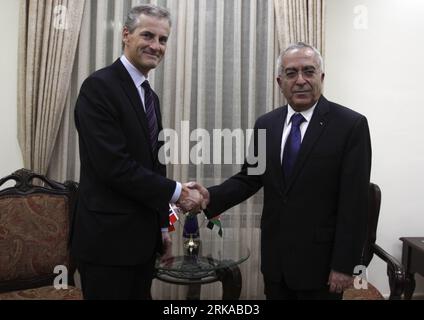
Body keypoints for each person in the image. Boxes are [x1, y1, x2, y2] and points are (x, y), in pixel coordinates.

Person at [194, 42, 371, 300]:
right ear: (280, 81)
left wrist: (344, 266)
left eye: (308, 72)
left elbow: (354, 204)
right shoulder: (267, 124)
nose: (300, 80)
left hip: (321, 267)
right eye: (291, 73)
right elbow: (250, 177)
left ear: (321, 77)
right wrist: (209, 197)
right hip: (276, 264)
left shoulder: (350, 125)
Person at [70, 4, 203, 300]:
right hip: (107, 245)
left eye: (163, 39)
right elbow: (114, 167)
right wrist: (180, 192)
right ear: (126, 35)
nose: (156, 46)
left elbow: (155, 167)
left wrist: (164, 227)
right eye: (148, 35)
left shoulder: (150, 97)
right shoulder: (98, 87)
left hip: (143, 243)